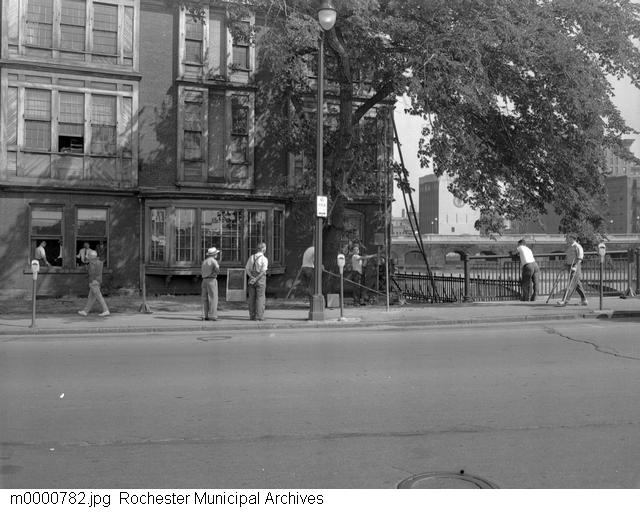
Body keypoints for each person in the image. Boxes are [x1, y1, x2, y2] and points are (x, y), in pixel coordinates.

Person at [556, 233, 588, 307]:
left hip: (575, 266)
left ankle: (565, 300)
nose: (566, 239)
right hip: (569, 266)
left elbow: (580, 258)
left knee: (571, 284)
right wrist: (565, 265)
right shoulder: (569, 246)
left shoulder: (577, 246)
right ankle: (584, 300)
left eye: (568, 238)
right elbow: (568, 257)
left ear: (572, 239)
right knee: (577, 284)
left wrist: (575, 266)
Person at [77, 249, 110, 317]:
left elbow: (92, 273)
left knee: (99, 297)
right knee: (91, 298)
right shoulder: (99, 262)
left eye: (89, 255)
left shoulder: (92, 263)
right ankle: (85, 311)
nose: (88, 256)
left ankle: (106, 310)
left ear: (92, 256)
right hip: (97, 281)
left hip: (93, 282)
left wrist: (91, 281)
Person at [245, 242, 268, 321]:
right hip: (260, 279)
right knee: (260, 297)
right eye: (265, 247)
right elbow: (263, 271)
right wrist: (256, 278)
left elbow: (247, 269)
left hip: (251, 278)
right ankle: (259, 316)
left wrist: (251, 277)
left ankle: (252, 316)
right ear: (263, 249)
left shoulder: (251, 257)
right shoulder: (264, 259)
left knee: (251, 297)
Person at [201, 247, 220, 321]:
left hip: (204, 280)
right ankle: (213, 315)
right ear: (214, 254)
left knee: (205, 298)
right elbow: (217, 270)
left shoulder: (204, 261)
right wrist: (216, 272)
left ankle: (205, 315)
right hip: (211, 280)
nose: (217, 255)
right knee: (213, 298)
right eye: (216, 253)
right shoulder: (214, 261)